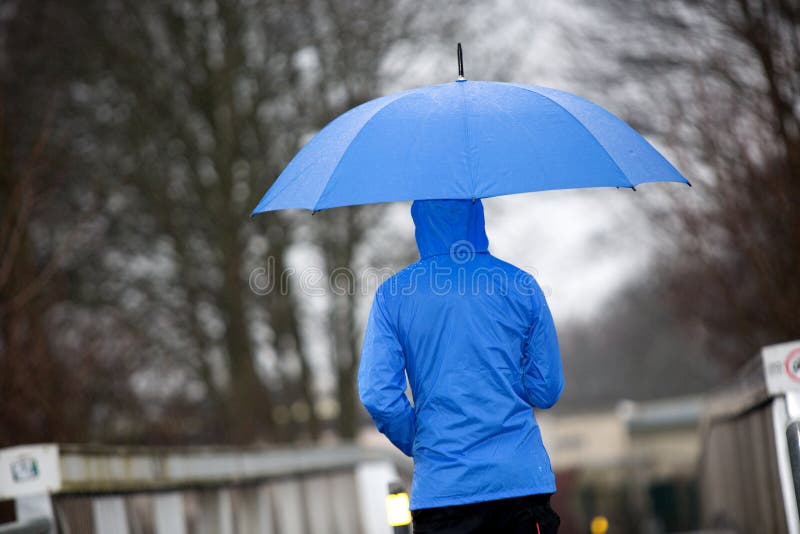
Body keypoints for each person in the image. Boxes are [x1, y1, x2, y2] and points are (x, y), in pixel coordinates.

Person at [358, 199, 564, 534]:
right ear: (477, 214)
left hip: (443, 491)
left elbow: (378, 395)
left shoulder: (392, 297)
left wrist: (420, 439)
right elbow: (546, 390)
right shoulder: (522, 286)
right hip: (521, 483)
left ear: (420, 221)